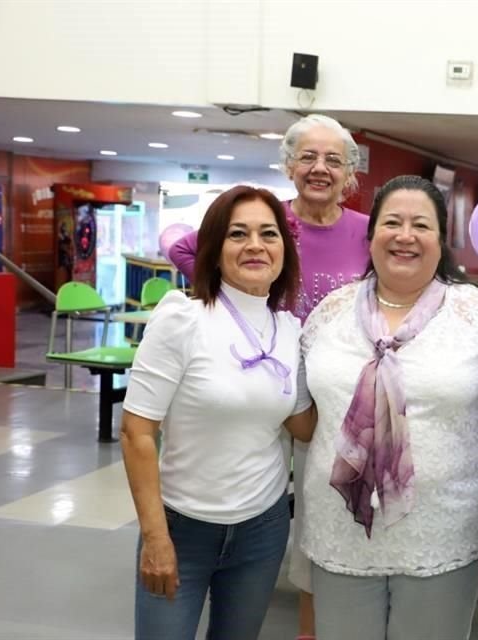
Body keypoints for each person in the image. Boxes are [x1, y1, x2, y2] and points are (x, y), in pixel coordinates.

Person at [168, 114, 370, 640]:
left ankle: (311, 618)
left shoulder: (367, 230)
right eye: (308, 156)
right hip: (254, 373)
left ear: (350, 171)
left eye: (333, 159)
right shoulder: (266, 221)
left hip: (326, 395)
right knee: (246, 490)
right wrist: (237, 303)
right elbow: (186, 249)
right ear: (288, 164)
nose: (319, 168)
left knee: (321, 514)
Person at [296, 175, 478, 640]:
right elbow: (304, 405)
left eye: (421, 225)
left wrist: (440, 422)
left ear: (441, 240)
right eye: (392, 222)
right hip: (341, 525)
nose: (405, 235)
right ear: (371, 235)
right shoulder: (330, 313)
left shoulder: (476, 315)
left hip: (443, 526)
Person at [121, 186, 316, 640]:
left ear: (284, 250)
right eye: (237, 234)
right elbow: (137, 432)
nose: (255, 245)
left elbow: (305, 427)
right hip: (180, 528)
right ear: (214, 249)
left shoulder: (290, 331)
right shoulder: (182, 320)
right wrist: (154, 538)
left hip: (262, 530)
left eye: (269, 233)